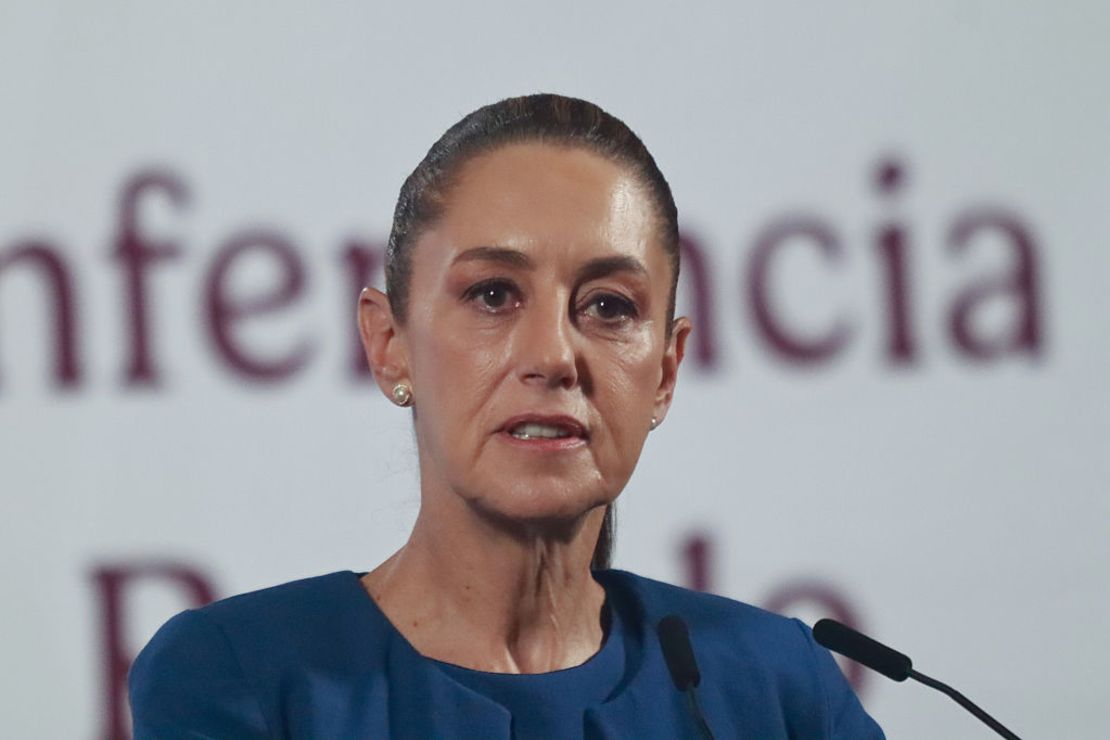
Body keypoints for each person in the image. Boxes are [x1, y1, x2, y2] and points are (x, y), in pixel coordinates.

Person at [129, 93, 885, 739]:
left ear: (665, 372)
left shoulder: (775, 689)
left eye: (609, 307)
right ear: (389, 345)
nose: (553, 356)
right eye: (493, 295)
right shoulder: (242, 677)